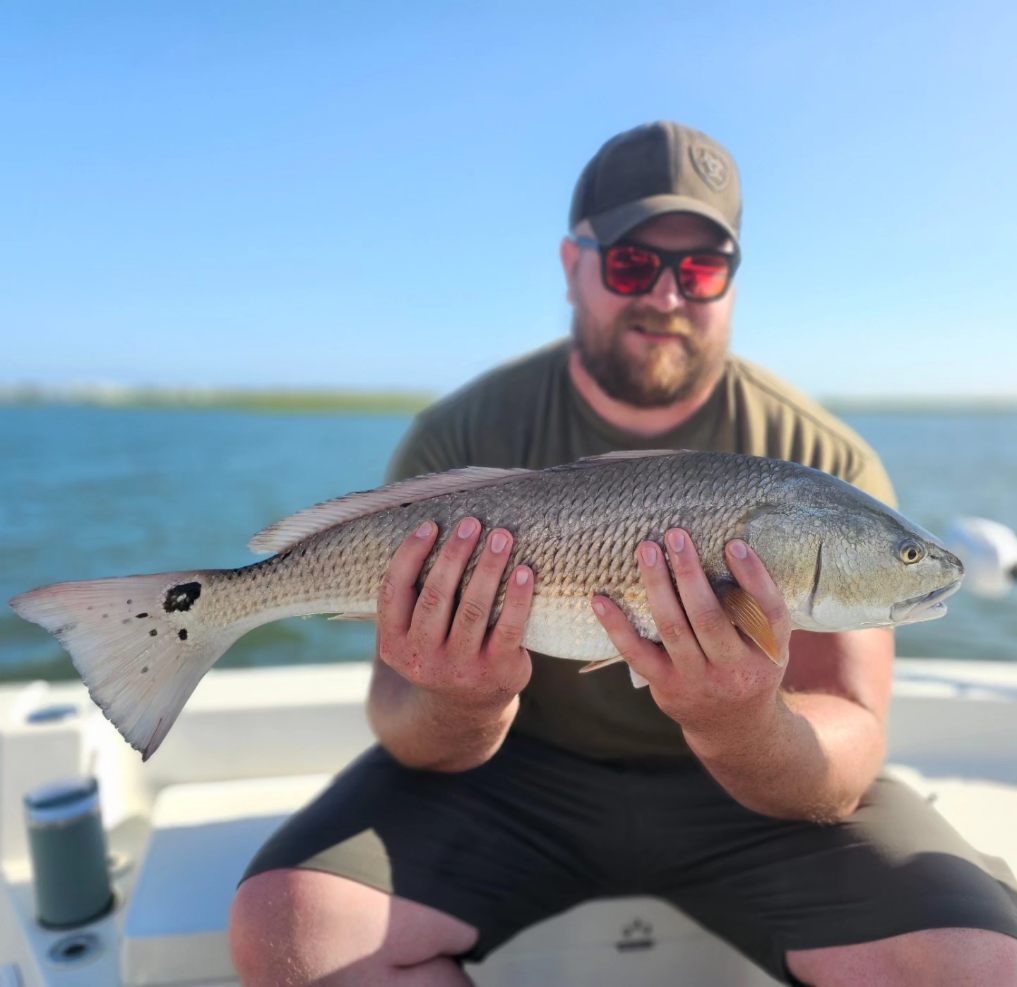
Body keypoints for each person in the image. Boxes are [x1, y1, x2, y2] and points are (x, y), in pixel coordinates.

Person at [229, 121, 1017, 985]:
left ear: (731, 281)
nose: (668, 295)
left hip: (757, 792)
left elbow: (848, 742)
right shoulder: (459, 431)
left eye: (702, 268)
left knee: (981, 963)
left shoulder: (822, 455)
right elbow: (401, 720)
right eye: (632, 263)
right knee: (289, 929)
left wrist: (739, 721)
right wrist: (460, 703)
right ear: (573, 266)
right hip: (513, 774)